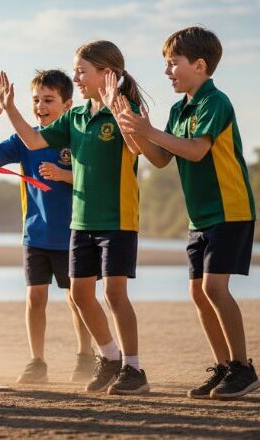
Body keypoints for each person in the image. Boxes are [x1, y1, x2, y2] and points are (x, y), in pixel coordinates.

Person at [0, 40, 150, 395]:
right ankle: (109, 357)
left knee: (114, 293)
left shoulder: (127, 108)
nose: (76, 77)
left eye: (82, 71)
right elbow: (34, 141)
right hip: (80, 222)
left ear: (106, 74)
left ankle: (134, 367)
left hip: (117, 218)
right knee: (81, 295)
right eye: (76, 70)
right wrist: (10, 109)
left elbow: (140, 149)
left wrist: (117, 108)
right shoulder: (75, 116)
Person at [117, 26, 258, 400]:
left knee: (214, 287)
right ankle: (225, 366)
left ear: (199, 65)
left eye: (172, 63)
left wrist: (149, 129)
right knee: (198, 293)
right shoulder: (180, 109)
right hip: (200, 217)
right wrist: (133, 131)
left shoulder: (215, 102)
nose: (167, 71)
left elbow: (196, 150)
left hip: (230, 209)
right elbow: (162, 158)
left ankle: (244, 369)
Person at [0, 70, 93, 384]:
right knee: (35, 298)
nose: (41, 106)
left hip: (73, 233)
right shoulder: (22, 139)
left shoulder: (76, 136)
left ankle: (86, 354)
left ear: (68, 104)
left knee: (77, 297)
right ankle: (37, 361)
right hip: (36, 234)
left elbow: (95, 177)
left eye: (49, 100)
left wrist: (62, 173)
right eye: (36, 100)